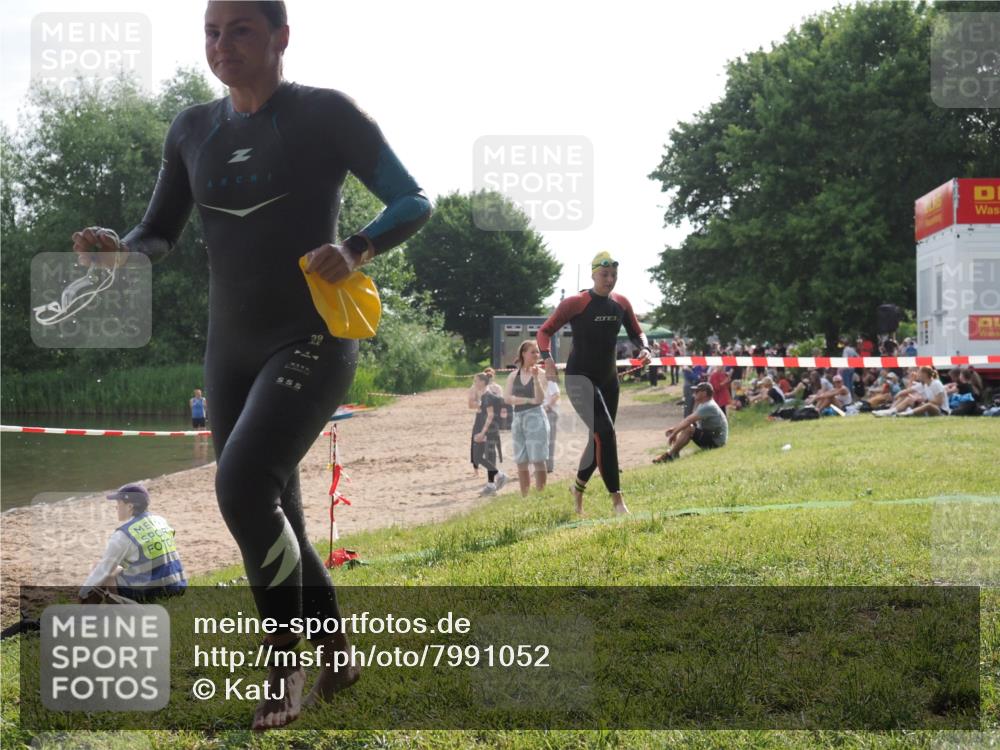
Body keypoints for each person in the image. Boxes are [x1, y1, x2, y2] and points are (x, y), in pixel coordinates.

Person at [71, 1, 431, 729]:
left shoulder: (326, 114)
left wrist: (358, 247)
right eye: (210, 31)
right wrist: (121, 255)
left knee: (240, 485)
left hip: (313, 335)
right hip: (228, 348)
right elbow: (158, 232)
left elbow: (413, 198)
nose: (221, 43)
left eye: (239, 28)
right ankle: (337, 649)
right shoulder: (192, 129)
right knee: (278, 510)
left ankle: (282, 670)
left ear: (280, 38)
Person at [537, 251, 651, 516]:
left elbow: (638, 332)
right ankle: (618, 502)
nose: (609, 280)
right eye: (604, 275)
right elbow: (545, 331)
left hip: (609, 380)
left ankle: (577, 490)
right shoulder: (576, 302)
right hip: (580, 378)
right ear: (593, 274)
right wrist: (548, 359)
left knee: (599, 437)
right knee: (606, 434)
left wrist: (645, 349)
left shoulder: (621, 303)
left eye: (613, 275)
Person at [79, 484, 187, 604]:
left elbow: (103, 570)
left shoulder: (123, 534)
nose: (116, 508)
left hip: (151, 594)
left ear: (129, 506)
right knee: (121, 567)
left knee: (104, 573)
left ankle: (87, 611)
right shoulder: (160, 520)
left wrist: (82, 594)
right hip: (177, 586)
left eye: (119, 503)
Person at [504, 341, 549, 496]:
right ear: (523, 353)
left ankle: (540, 495)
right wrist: (527, 400)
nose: (536, 355)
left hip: (535, 417)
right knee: (521, 461)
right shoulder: (513, 375)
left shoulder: (541, 374)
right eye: (533, 352)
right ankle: (525, 496)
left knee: (538, 459)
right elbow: (507, 398)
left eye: (537, 352)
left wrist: (535, 379)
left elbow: (539, 399)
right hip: (518, 418)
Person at [654, 382, 728, 462]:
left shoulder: (708, 406)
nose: (694, 393)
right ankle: (673, 454)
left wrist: (674, 433)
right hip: (712, 437)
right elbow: (690, 420)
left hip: (716, 442)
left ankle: (670, 455)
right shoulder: (703, 404)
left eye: (697, 391)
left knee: (689, 428)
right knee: (689, 427)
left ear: (704, 393)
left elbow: (688, 420)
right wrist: (675, 429)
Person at [469, 370, 507, 495]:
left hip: (489, 431)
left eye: (476, 381)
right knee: (482, 456)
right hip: (489, 430)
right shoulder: (485, 396)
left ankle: (500, 476)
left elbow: (490, 416)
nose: (474, 383)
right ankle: (491, 485)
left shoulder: (487, 396)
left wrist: (482, 433)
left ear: (482, 382)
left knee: (479, 456)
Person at [542, 371, 561, 473]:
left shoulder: (550, 382)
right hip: (541, 413)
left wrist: (547, 406)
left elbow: (557, 395)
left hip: (550, 412)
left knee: (550, 440)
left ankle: (549, 466)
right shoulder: (538, 382)